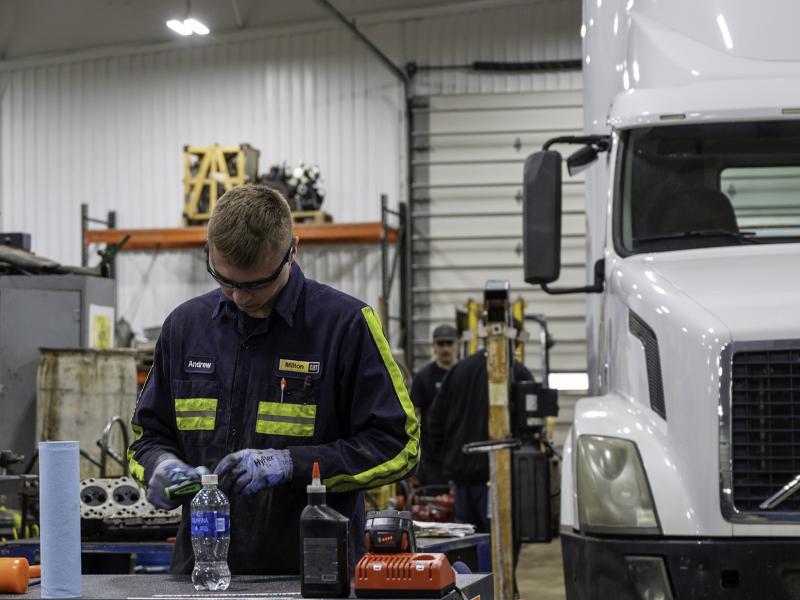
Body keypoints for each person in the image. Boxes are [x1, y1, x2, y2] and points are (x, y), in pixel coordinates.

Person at [128, 184, 419, 575]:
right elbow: (148, 438)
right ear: (208, 251)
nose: (239, 297)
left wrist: (291, 464)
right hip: (202, 574)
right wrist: (160, 465)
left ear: (292, 250)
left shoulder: (345, 326)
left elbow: (399, 445)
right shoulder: (184, 327)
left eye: (256, 284)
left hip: (312, 576)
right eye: (225, 280)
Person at [427, 336, 532, 533]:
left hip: (460, 474)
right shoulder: (517, 372)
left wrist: (447, 458)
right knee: (499, 538)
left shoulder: (458, 370)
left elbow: (434, 421)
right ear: (516, 342)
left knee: (465, 538)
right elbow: (530, 428)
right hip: (497, 478)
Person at [410, 324, 459, 486]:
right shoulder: (423, 377)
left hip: (461, 455)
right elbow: (412, 417)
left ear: (457, 345)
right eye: (441, 344)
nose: (445, 348)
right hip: (432, 458)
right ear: (433, 347)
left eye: (449, 343)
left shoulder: (464, 375)